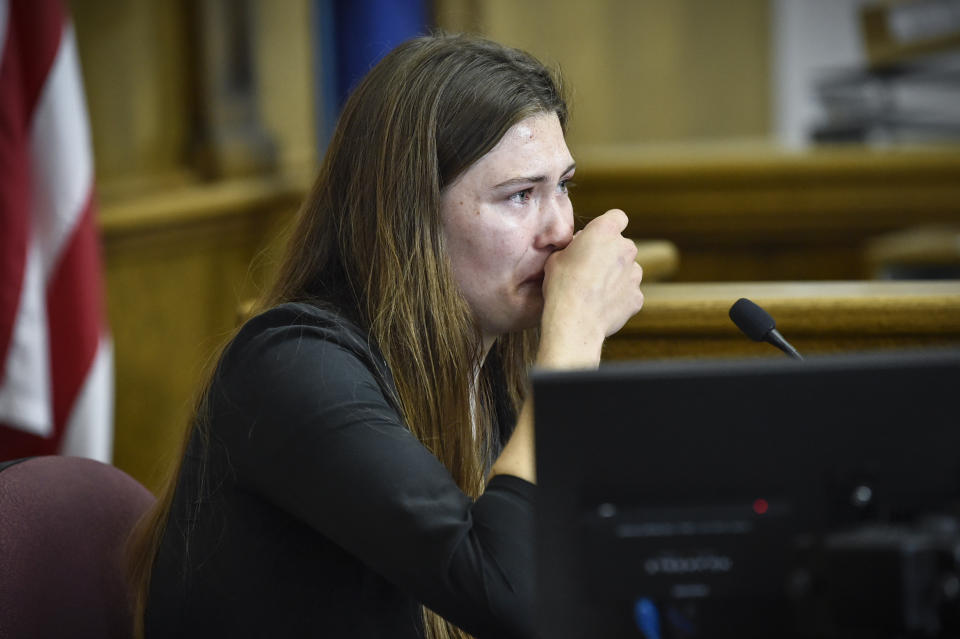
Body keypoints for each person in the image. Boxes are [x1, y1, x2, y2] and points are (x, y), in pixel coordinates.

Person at [126, 33, 644, 639]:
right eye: (521, 196)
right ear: (411, 218)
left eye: (564, 186)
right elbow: (512, 596)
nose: (561, 229)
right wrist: (572, 348)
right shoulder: (293, 367)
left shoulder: (491, 359)